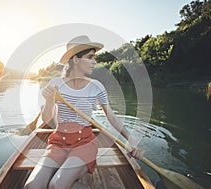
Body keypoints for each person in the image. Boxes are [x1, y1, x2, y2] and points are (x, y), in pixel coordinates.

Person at [24, 35, 144, 189]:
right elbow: (48, 119)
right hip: (58, 142)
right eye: (90, 57)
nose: (95, 61)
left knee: (57, 185)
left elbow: (112, 117)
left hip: (85, 143)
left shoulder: (96, 86)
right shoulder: (55, 84)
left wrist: (131, 140)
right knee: (32, 186)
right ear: (75, 59)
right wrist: (49, 101)